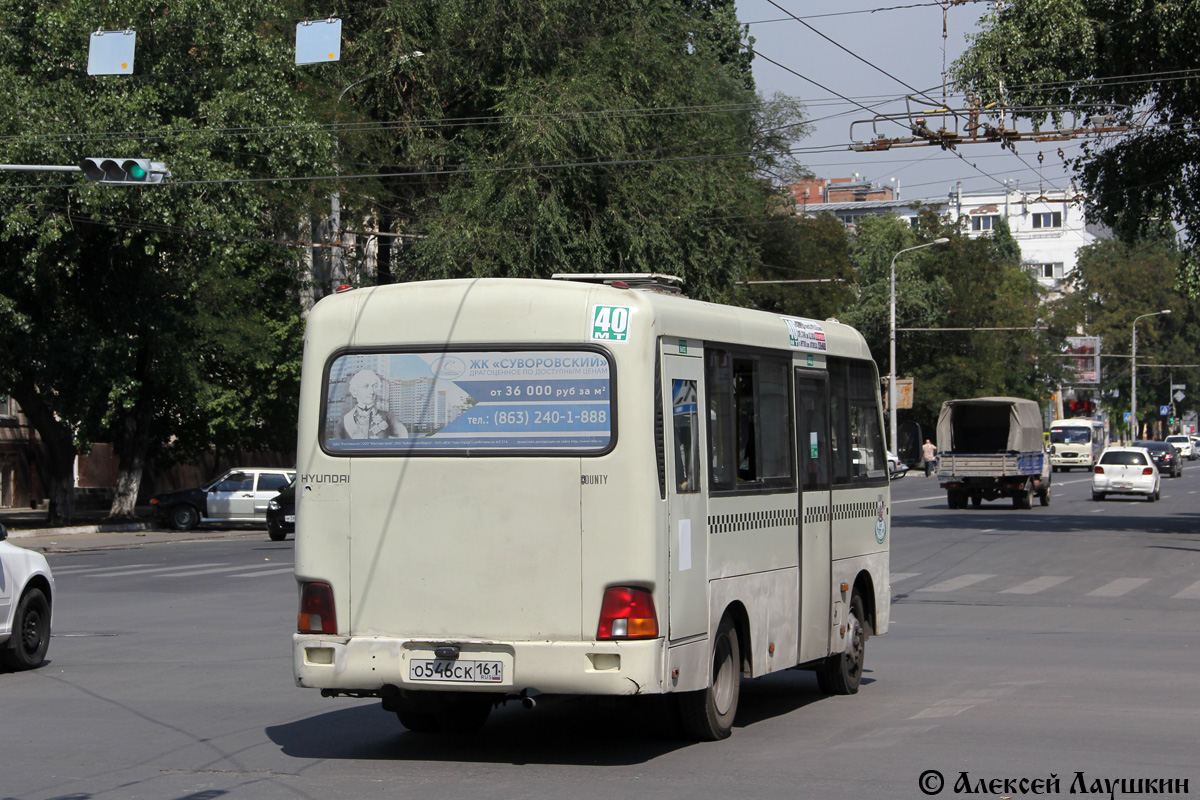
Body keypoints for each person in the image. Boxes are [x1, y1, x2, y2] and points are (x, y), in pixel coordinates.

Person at [337, 369, 408, 439]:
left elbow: (404, 437)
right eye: (366, 386)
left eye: (375, 386)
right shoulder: (344, 421)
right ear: (354, 390)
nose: (371, 391)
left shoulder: (388, 417)